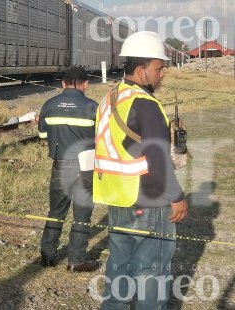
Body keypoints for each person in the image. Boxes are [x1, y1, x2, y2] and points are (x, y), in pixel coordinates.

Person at [93, 31, 188, 309]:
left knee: (120, 267)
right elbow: (157, 159)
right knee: (152, 272)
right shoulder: (145, 104)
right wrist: (177, 196)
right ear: (140, 70)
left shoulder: (110, 99)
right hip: (149, 200)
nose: (162, 75)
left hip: (119, 198)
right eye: (158, 69)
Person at [37, 66, 100, 272]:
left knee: (56, 211)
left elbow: (43, 137)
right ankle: (76, 260)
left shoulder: (49, 104)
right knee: (82, 215)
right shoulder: (93, 107)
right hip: (85, 168)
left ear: (63, 83)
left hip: (60, 165)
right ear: (86, 84)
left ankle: (47, 255)